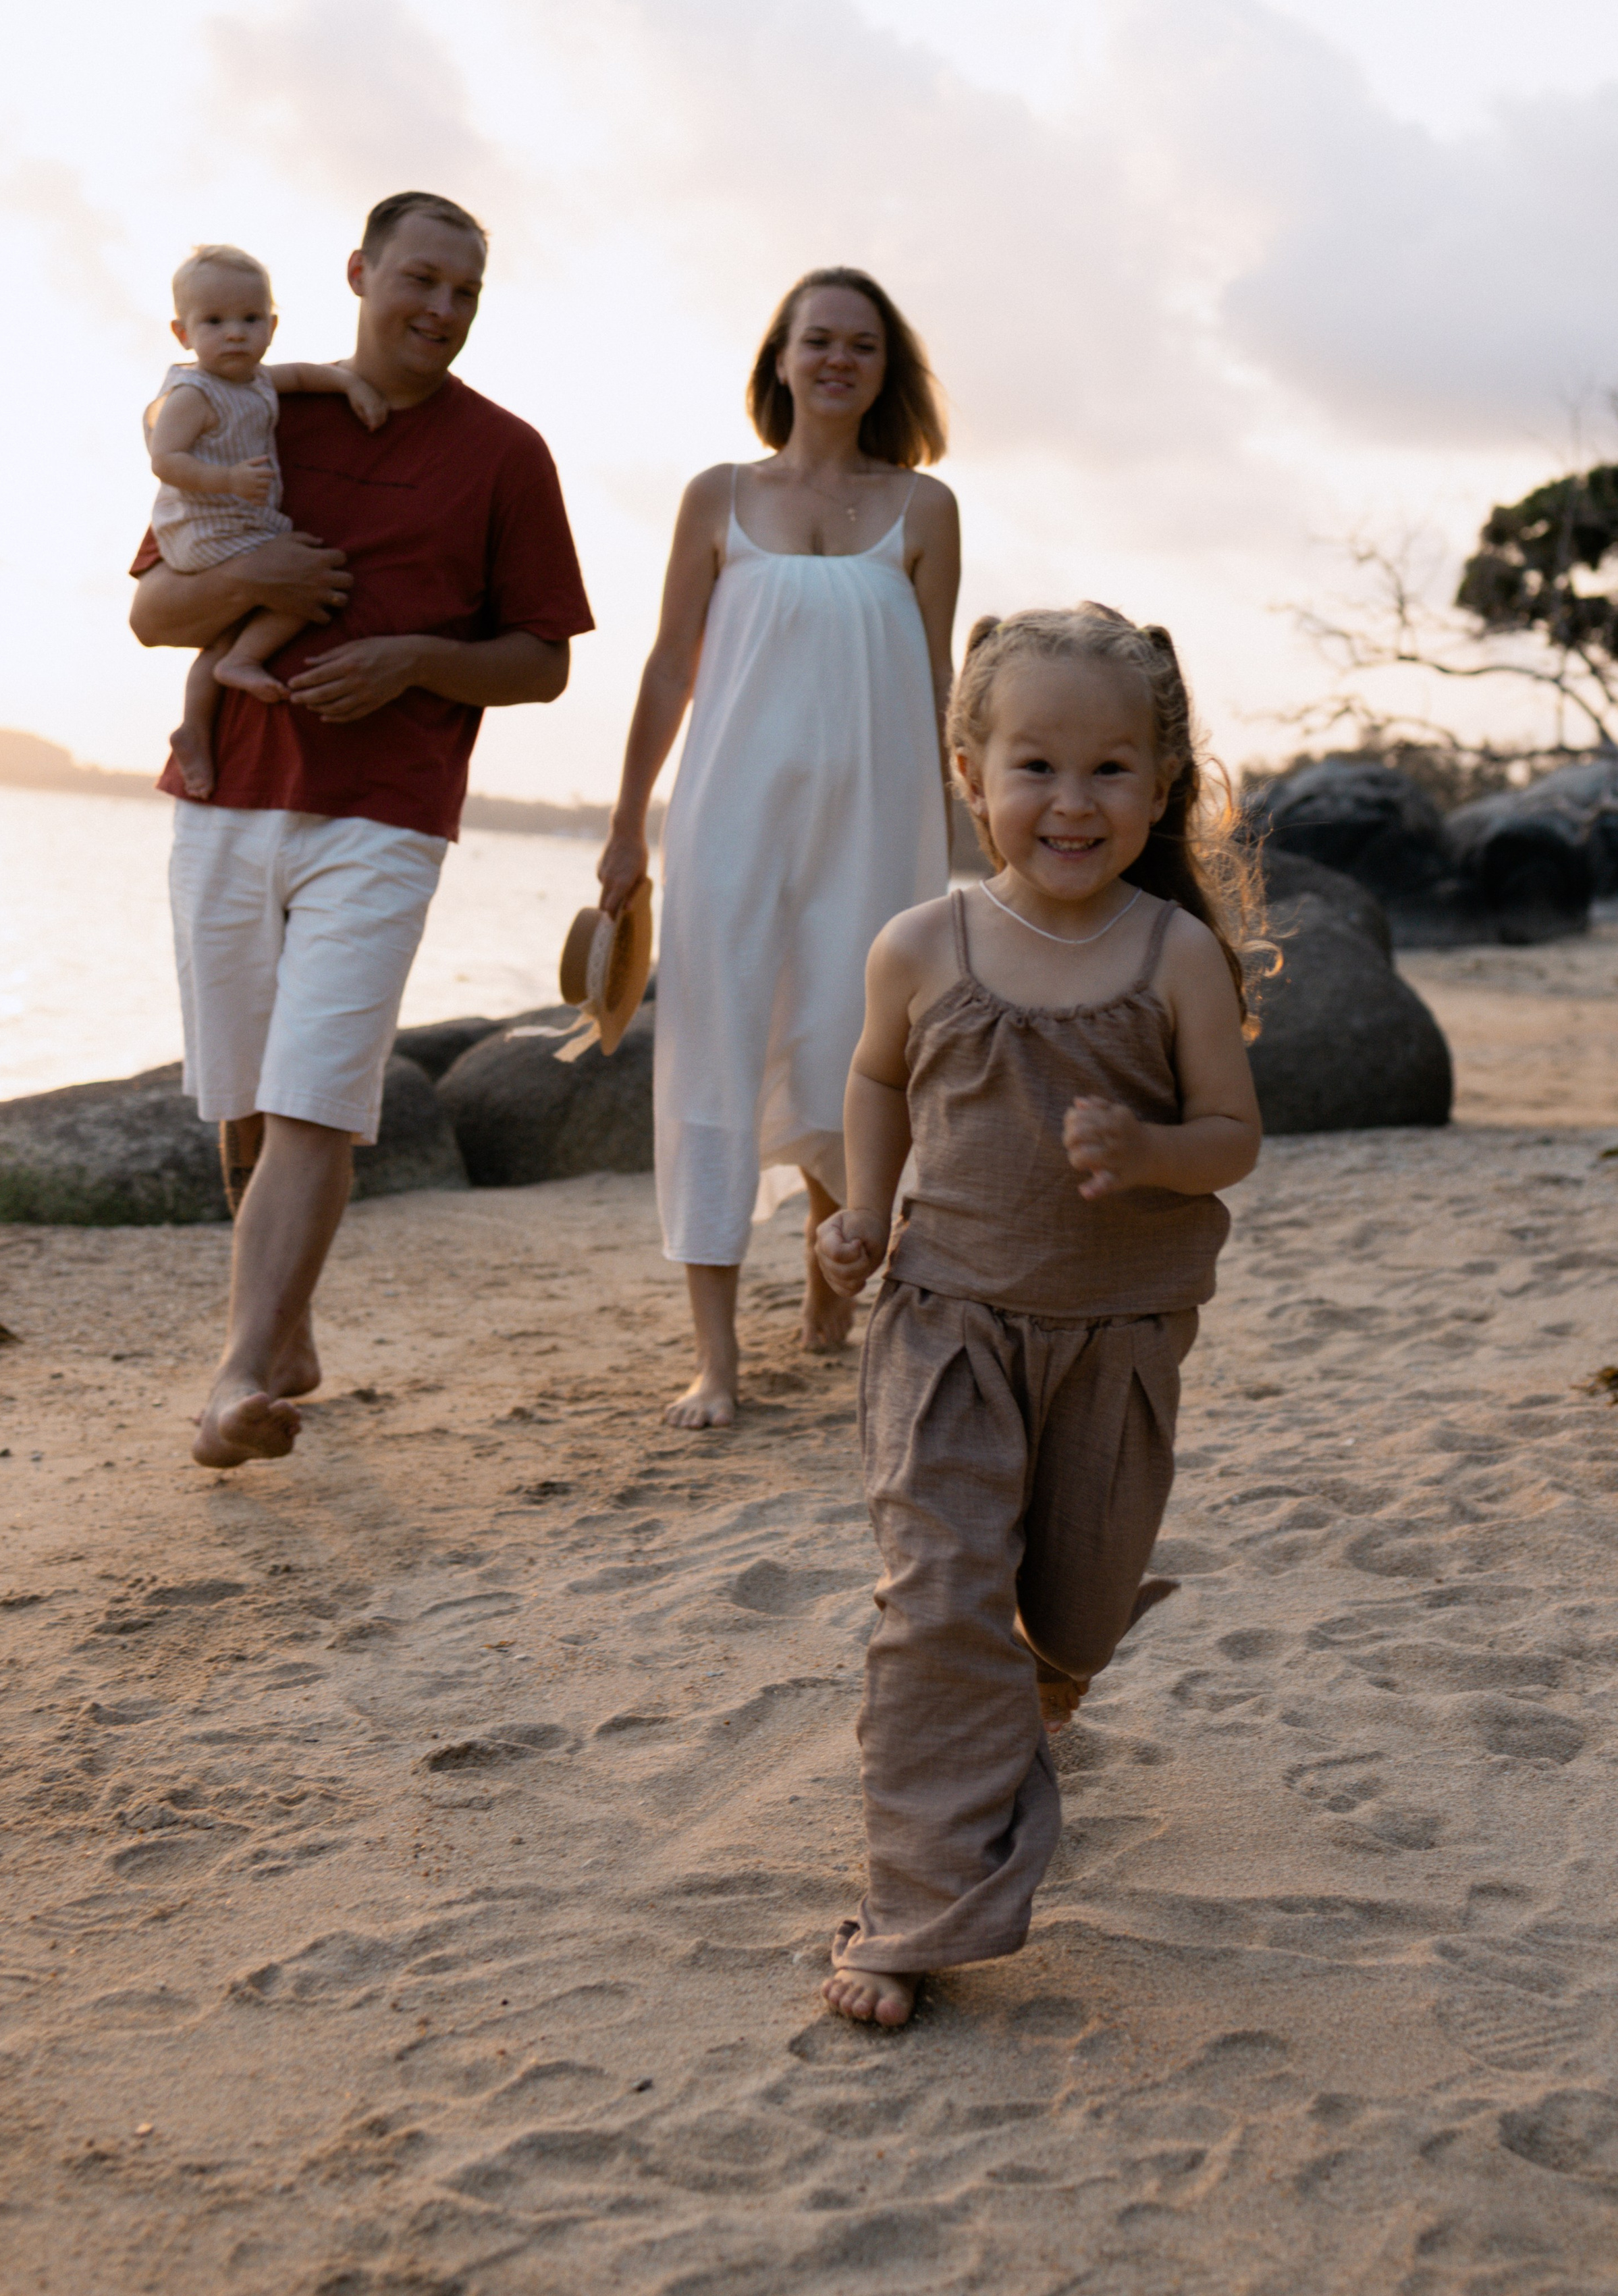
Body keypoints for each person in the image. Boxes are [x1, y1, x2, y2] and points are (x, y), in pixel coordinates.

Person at [812, 604, 1263, 2028]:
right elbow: (877, 1078)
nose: (1071, 803)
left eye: (1110, 770)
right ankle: (910, 1910)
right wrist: (860, 1211)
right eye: (1035, 767)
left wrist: (1146, 1151)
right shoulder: (918, 942)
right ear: (969, 769)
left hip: (1119, 1332)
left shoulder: (1172, 954)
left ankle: (1051, 1674)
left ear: (1160, 777)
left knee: (1067, 1607)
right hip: (944, 1324)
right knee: (938, 1605)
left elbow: (1230, 1135)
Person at [128, 190, 594, 1470]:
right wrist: (254, 582)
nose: (441, 310)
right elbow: (155, 616)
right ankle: (283, 1335)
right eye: (421, 281)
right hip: (228, 798)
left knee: (314, 1100)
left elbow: (543, 662)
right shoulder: (260, 412)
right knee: (242, 1097)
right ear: (359, 274)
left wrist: (411, 663)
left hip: (386, 818)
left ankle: (234, 1380)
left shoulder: (508, 455)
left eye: (465, 292)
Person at [595, 267, 959, 1429]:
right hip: (726, 821)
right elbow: (667, 668)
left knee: (845, 1051)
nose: (838, 360)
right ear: (782, 359)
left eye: (860, 345)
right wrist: (621, 830)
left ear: (884, 369)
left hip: (876, 824)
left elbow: (946, 685)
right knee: (713, 1059)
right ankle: (716, 1359)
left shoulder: (926, 511)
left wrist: (976, 844)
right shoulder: (718, 496)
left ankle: (831, 1286)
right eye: (818, 341)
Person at [145, 243, 390, 799]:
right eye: (214, 322)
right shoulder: (193, 392)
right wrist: (228, 479)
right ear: (183, 333)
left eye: (250, 320)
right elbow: (165, 459)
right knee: (302, 576)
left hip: (238, 522)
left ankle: (194, 729)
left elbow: (305, 376)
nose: (235, 334)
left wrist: (351, 383)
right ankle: (244, 660)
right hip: (205, 526)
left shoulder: (254, 380)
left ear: (272, 325)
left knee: (237, 619)